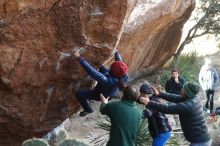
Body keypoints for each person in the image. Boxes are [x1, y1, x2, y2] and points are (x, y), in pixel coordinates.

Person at [139, 82, 212, 146]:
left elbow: (167, 109)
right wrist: (159, 94)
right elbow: (174, 97)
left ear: (187, 92)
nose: (181, 89)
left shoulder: (188, 105)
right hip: (200, 140)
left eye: (183, 88)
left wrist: (149, 103)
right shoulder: (193, 98)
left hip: (200, 142)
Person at [73, 49, 128, 116]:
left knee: (78, 93)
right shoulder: (123, 75)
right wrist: (116, 53)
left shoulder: (107, 81)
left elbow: (92, 72)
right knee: (101, 67)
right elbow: (119, 65)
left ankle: (87, 109)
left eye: (111, 67)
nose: (110, 66)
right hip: (109, 92)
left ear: (112, 72)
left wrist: (79, 58)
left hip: (100, 95)